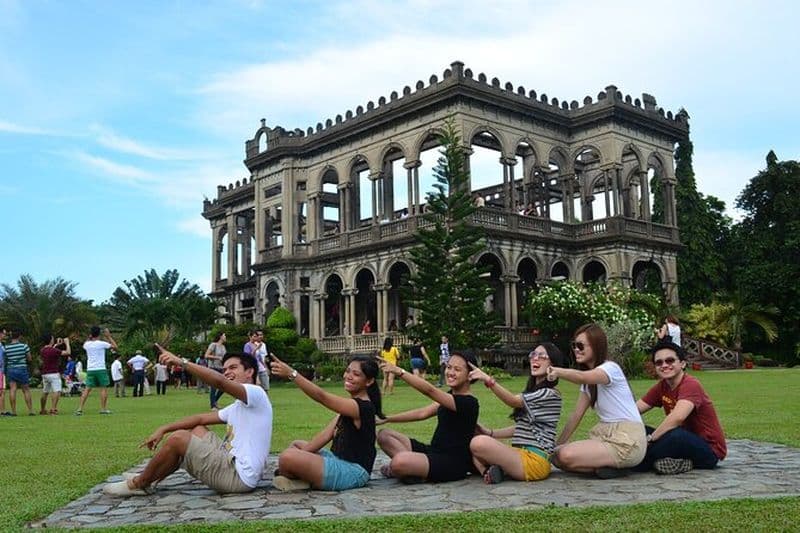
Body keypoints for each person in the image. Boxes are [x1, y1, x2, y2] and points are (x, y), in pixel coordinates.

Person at [103, 347, 272, 496]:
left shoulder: (256, 393)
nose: (227, 372)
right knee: (197, 429)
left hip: (239, 477)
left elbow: (219, 382)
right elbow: (199, 419)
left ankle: (139, 484)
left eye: (233, 368)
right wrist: (164, 428)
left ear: (250, 372)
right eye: (225, 369)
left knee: (179, 439)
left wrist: (181, 362)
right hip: (229, 460)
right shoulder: (237, 406)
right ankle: (151, 476)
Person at [269, 354, 385, 491]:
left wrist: (292, 374)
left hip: (353, 472)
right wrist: (302, 456)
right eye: (348, 371)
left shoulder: (362, 407)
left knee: (287, 457)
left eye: (356, 374)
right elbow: (325, 436)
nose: (348, 376)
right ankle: (299, 478)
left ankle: (298, 478)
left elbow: (321, 396)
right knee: (296, 445)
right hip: (338, 461)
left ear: (369, 381)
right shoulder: (350, 406)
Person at [548, 323, 646, 478]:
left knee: (566, 455)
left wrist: (558, 371)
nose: (576, 350)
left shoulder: (610, 369)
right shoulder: (589, 384)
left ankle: (612, 466)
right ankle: (608, 469)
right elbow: (576, 416)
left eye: (581, 346)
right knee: (557, 457)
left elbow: (582, 377)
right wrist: (555, 445)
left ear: (596, 346)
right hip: (606, 436)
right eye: (574, 345)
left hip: (627, 440)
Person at [376, 351, 480, 483]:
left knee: (398, 462)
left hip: (451, 463)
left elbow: (430, 390)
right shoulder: (450, 396)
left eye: (457, 369)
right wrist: (387, 418)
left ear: (470, 375)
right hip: (434, 452)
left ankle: (408, 469)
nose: (450, 372)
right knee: (384, 435)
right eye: (449, 367)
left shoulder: (468, 402)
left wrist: (399, 371)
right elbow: (422, 413)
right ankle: (412, 471)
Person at [468, 343, 564, 484]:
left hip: (534, 461)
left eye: (542, 356)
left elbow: (512, 401)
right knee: (471, 441)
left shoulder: (549, 393)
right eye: (533, 355)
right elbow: (521, 428)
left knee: (478, 443)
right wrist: (489, 432)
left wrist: (488, 379)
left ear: (553, 364)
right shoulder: (535, 392)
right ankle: (489, 472)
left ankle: (494, 470)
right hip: (521, 455)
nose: (535, 359)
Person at [634, 339, 727, 475]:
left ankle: (633, 464)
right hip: (682, 442)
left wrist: (650, 439)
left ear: (682, 363)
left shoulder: (691, 384)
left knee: (676, 436)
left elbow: (677, 418)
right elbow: (633, 411)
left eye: (670, 360)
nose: (664, 365)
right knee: (639, 429)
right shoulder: (662, 386)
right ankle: (677, 462)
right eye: (659, 362)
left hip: (709, 450)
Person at [76, 326, 118, 416]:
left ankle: (80, 409)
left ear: (91, 334)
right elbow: (115, 347)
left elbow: (86, 342)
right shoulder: (102, 343)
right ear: (99, 334)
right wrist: (108, 336)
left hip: (90, 369)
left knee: (87, 389)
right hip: (101, 369)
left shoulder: (87, 344)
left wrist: (90, 336)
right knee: (103, 388)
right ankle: (103, 409)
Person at [39, 334, 71, 415]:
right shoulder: (54, 351)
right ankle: (53, 409)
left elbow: (50, 350)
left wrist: (57, 345)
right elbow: (68, 352)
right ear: (50, 340)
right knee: (57, 391)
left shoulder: (43, 350)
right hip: (53, 373)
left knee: (45, 392)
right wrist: (67, 343)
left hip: (45, 374)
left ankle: (42, 409)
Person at [4, 331, 34, 416]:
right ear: (19, 336)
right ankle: (30, 410)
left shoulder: (7, 347)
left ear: (11, 336)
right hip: (22, 369)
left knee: (13, 389)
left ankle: (13, 411)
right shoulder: (24, 346)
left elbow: (5, 358)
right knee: (26, 390)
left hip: (11, 369)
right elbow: (29, 358)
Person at [243, 329, 270, 393]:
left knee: (265, 385)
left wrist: (265, 367)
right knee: (257, 385)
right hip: (253, 366)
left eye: (256, 336)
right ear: (250, 337)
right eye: (254, 336)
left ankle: (265, 400)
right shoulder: (247, 345)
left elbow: (260, 357)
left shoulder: (256, 345)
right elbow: (248, 357)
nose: (256, 338)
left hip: (260, 366)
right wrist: (256, 349)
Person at [205, 332, 227, 409]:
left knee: (224, 387)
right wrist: (218, 358)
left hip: (221, 368)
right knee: (213, 387)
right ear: (220, 336)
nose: (225, 337)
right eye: (224, 335)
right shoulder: (213, 345)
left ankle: (215, 401)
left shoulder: (223, 347)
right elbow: (206, 355)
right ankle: (213, 406)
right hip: (213, 368)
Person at [0, 328, 6, 415]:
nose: (5, 335)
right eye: (4, 334)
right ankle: (1, 411)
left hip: (2, 370)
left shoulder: (1, 344)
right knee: (1, 391)